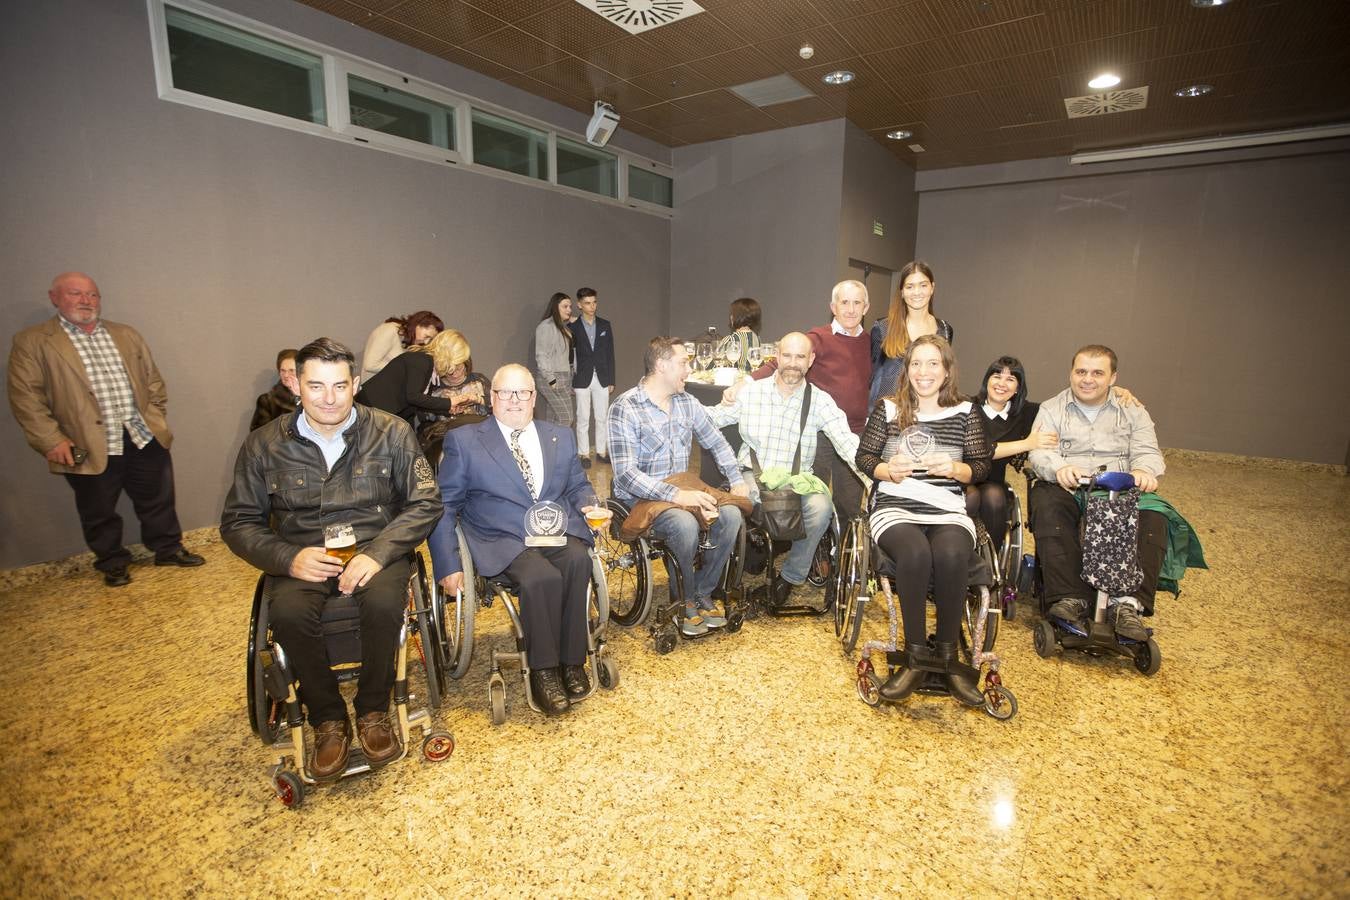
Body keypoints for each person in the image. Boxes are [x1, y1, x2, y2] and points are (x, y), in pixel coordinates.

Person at [220, 337, 441, 779]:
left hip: (375, 547)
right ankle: (327, 718)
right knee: (287, 613)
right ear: (296, 385)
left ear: (355, 384)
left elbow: (425, 503)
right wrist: (288, 558)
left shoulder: (392, 432)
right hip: (302, 551)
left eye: (340, 386)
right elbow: (238, 522)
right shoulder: (264, 445)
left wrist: (378, 554)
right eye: (316, 386)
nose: (329, 398)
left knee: (384, 604)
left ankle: (373, 709)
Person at [428, 364, 610, 716]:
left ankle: (572, 662)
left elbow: (577, 485)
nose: (514, 400)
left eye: (522, 392)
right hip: (501, 536)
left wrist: (588, 506)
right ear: (491, 397)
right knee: (541, 577)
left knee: (578, 560)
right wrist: (447, 564)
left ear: (534, 397)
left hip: (554, 529)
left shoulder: (559, 435)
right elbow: (445, 506)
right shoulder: (465, 441)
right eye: (505, 393)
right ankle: (543, 672)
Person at [7, 271, 205, 587]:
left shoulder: (125, 334)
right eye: (75, 293)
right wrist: (51, 440)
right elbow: (25, 397)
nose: (86, 300)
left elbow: (152, 380)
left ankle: (168, 549)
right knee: (97, 509)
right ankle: (112, 561)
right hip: (84, 442)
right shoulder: (33, 341)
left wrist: (156, 417)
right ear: (55, 298)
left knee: (158, 499)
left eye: (92, 294)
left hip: (141, 435)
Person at [855, 335, 991, 706]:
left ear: (947, 370)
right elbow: (864, 457)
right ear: (907, 369)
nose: (923, 372)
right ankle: (915, 656)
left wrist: (957, 469)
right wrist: (887, 469)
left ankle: (947, 656)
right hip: (896, 505)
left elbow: (981, 466)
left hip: (946, 506)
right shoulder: (888, 408)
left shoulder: (966, 411)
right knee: (914, 553)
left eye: (933, 363)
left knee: (951, 554)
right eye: (916, 363)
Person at [706, 332, 861, 607]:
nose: (792, 363)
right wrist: (678, 407)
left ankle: (790, 577)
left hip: (797, 481)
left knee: (821, 508)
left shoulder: (820, 401)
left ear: (811, 360)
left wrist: (877, 471)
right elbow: (714, 418)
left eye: (800, 357)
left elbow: (846, 442)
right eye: (787, 355)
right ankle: (726, 570)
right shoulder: (751, 392)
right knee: (738, 504)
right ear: (776, 356)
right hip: (753, 477)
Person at [610, 337, 751, 636]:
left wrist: (737, 480)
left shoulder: (687, 402)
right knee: (684, 524)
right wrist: (676, 495)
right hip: (641, 498)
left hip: (682, 489)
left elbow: (717, 443)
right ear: (661, 365)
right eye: (684, 363)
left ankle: (701, 591)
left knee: (731, 516)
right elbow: (626, 475)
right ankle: (684, 600)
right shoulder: (626, 407)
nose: (689, 370)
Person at [1026, 345, 1168, 642]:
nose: (1087, 379)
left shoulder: (1132, 410)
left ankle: (1128, 604)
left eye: (1097, 373)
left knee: (1154, 516)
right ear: (1071, 373)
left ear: (1112, 378)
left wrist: (1143, 471)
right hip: (1070, 484)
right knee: (1047, 505)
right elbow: (1039, 452)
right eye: (1081, 371)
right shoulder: (1052, 409)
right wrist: (1059, 467)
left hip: (1119, 486)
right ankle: (1070, 597)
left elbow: (1148, 451)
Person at [732, 280, 872, 527]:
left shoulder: (870, 341)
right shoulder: (819, 337)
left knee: (849, 505)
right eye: (844, 302)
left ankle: (837, 547)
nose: (851, 309)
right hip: (818, 428)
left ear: (866, 307)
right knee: (812, 500)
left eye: (857, 303)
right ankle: (805, 543)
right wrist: (746, 382)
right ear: (833, 307)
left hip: (853, 428)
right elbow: (785, 360)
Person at [869, 261, 953, 407]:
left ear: (932, 288)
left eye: (923, 285)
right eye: (910, 286)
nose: (917, 292)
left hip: (926, 411)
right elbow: (872, 376)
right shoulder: (883, 328)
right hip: (889, 411)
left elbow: (944, 374)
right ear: (902, 292)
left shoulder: (945, 330)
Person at [416, 331, 490, 468]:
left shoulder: (479, 381)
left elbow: (496, 408)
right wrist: (446, 406)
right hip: (445, 439)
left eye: (459, 367)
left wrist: (477, 400)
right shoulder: (433, 386)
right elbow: (423, 416)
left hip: (477, 438)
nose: (455, 374)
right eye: (450, 370)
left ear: (466, 363)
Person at [356, 329, 465, 422]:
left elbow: (420, 402)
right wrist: (449, 402)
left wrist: (447, 409)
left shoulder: (431, 369)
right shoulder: (421, 361)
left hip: (382, 414)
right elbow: (413, 397)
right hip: (369, 409)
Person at [569, 287, 614, 468]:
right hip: (581, 378)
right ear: (579, 305)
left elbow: (610, 354)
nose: (592, 306)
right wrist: (571, 380)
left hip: (602, 377)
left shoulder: (605, 325)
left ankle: (602, 451)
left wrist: (611, 379)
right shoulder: (572, 327)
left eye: (594, 302)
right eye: (587, 303)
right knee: (583, 418)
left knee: (602, 417)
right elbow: (569, 357)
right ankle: (584, 453)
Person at [360, 311, 444, 382]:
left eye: (430, 339)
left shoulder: (409, 340)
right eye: (426, 336)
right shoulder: (390, 330)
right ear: (417, 325)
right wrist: (407, 368)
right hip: (374, 392)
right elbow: (370, 365)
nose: (426, 342)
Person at [534, 292, 575, 428]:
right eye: (565, 306)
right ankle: (559, 442)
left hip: (563, 377)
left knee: (553, 419)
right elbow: (541, 355)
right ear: (555, 307)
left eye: (570, 306)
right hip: (551, 378)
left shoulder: (562, 327)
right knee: (566, 418)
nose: (569, 310)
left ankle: (551, 442)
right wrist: (551, 380)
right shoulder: (546, 326)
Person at [250, 348, 299, 431]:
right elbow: (259, 434)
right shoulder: (267, 401)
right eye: (283, 371)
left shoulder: (312, 398)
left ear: (301, 371)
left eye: (291, 370)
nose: (286, 375)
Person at [715, 297, 762, 373]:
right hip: (753, 378)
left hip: (736, 379)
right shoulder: (757, 338)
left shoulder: (731, 340)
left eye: (732, 314)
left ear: (734, 317)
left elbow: (713, 365)